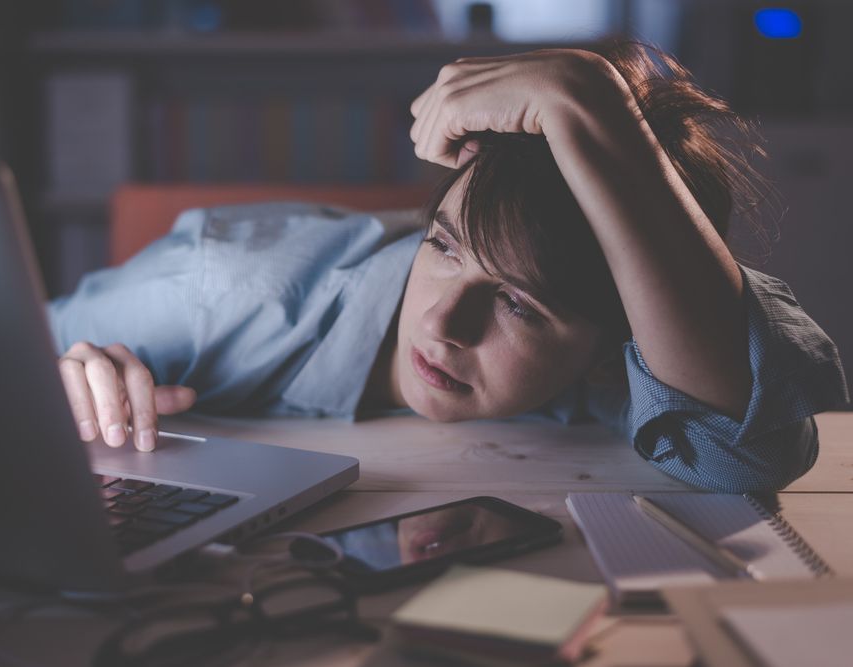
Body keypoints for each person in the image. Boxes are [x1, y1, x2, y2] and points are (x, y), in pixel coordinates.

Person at [48, 42, 848, 493]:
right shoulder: (221, 289)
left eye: (520, 306)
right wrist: (58, 377)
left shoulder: (618, 371)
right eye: (443, 244)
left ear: (610, 349)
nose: (440, 320)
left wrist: (589, 104)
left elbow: (743, 455)